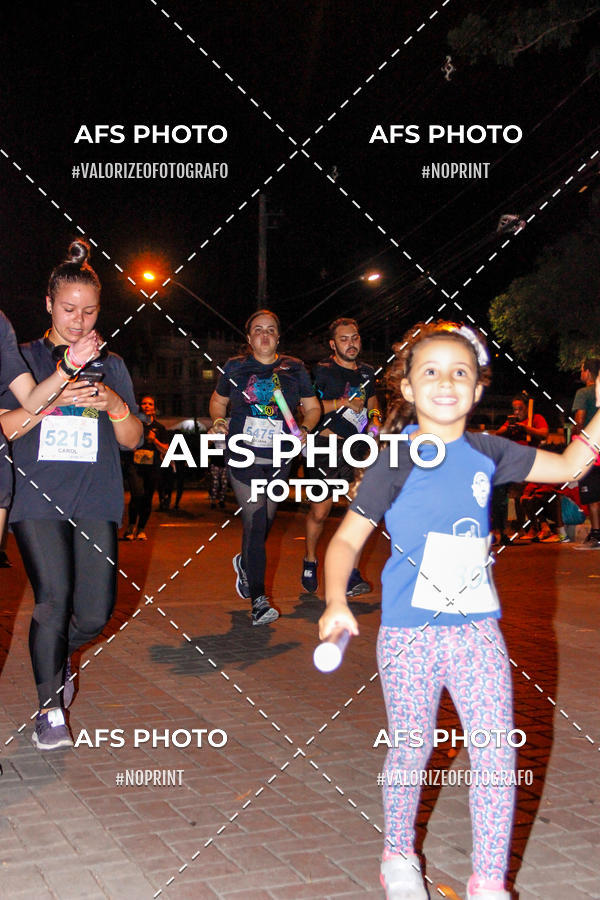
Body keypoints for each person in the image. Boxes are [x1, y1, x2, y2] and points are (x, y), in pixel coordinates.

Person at [318, 320, 600, 900]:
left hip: (478, 633)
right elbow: (346, 541)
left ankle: (490, 883)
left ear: (476, 391)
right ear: (409, 388)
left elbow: (572, 465)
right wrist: (336, 601)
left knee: (497, 752)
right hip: (408, 634)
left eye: (460, 372)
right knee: (412, 746)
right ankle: (398, 854)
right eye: (431, 371)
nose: (446, 381)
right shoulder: (395, 459)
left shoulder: (492, 451)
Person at [0, 240, 142, 751]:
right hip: (37, 499)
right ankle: (48, 709)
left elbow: (134, 440)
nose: (79, 321)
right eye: (68, 310)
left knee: (96, 613)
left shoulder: (111, 364)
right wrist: (55, 394)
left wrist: (114, 404)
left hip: (96, 499)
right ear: (48, 304)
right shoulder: (25, 359)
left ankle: (55, 655)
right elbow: (7, 428)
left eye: (89, 311)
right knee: (53, 598)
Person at [209, 309, 320, 624]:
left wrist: (306, 429)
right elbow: (218, 402)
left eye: (271, 329)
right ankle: (259, 601)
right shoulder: (235, 367)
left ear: (278, 336)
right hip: (243, 454)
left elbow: (312, 407)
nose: (265, 335)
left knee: (265, 523)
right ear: (249, 338)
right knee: (256, 520)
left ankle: (246, 563)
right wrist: (219, 421)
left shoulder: (294, 368)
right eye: (258, 329)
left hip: (280, 457)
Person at [301, 317, 381, 595]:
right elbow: (306, 407)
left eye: (355, 337)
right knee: (320, 512)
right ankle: (310, 558)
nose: (351, 343)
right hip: (323, 447)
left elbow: (372, 404)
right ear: (333, 344)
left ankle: (351, 575)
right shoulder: (320, 371)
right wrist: (342, 403)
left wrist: (375, 421)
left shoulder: (368, 372)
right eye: (344, 339)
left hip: (355, 448)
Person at [495, 394, 549, 539]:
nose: (517, 412)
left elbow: (544, 434)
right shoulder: (510, 422)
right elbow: (498, 433)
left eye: (520, 409)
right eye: (514, 409)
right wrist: (510, 428)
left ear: (526, 408)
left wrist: (526, 428)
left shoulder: (535, 418)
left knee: (528, 497)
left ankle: (536, 527)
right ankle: (521, 528)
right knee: (515, 497)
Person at [123, 395, 170, 540]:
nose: (147, 406)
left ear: (154, 408)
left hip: (152, 467)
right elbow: (124, 441)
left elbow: (166, 449)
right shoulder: (134, 424)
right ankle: (131, 527)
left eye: (150, 404)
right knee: (137, 494)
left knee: (147, 498)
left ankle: (141, 529)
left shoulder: (160, 428)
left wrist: (153, 440)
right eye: (144, 404)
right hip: (135, 466)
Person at [571, 358, 600, 548]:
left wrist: (574, 438)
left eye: (581, 370)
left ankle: (596, 535)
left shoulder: (583, 393)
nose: (581, 374)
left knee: (592, 496)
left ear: (588, 372)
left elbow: (579, 420)